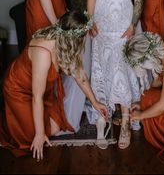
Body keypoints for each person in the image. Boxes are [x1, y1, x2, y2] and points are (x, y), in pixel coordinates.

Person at [0, 11, 108, 160]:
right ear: (73, 39)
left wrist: (95, 102)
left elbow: (79, 75)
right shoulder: (43, 52)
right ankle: (8, 124)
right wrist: (39, 134)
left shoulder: (64, 43)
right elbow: (36, 98)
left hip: (42, 88)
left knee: (55, 127)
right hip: (20, 89)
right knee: (32, 137)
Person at [86, 0, 145, 149]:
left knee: (124, 70)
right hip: (101, 28)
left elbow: (138, 0)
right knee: (102, 69)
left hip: (124, 28)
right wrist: (90, 21)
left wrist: (132, 25)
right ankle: (103, 118)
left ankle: (127, 121)